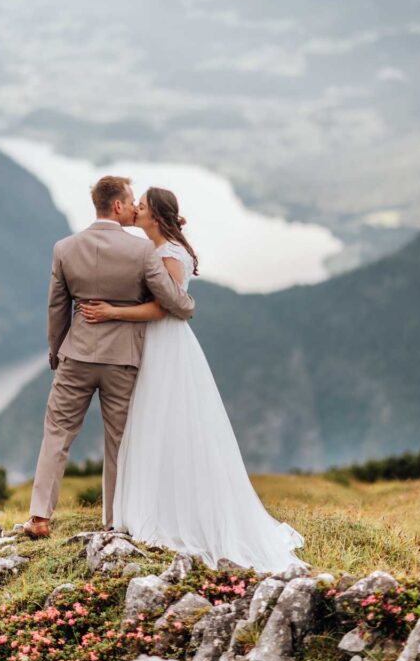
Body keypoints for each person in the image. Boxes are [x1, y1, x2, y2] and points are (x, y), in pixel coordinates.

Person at [79, 186, 306, 572]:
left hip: (165, 344)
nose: (136, 210)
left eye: (143, 207)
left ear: (157, 217)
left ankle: (168, 513)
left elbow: (166, 309)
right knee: (154, 422)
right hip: (158, 343)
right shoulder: (156, 249)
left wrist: (113, 313)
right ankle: (152, 504)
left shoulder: (167, 253)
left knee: (164, 420)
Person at [22, 176, 195, 539]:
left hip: (77, 356)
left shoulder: (64, 248)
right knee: (119, 440)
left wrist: (57, 352)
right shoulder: (142, 251)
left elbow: (57, 309)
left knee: (57, 433)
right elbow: (172, 299)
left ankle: (39, 517)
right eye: (132, 201)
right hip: (123, 360)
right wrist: (188, 303)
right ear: (117, 206)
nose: (135, 207)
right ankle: (114, 520)